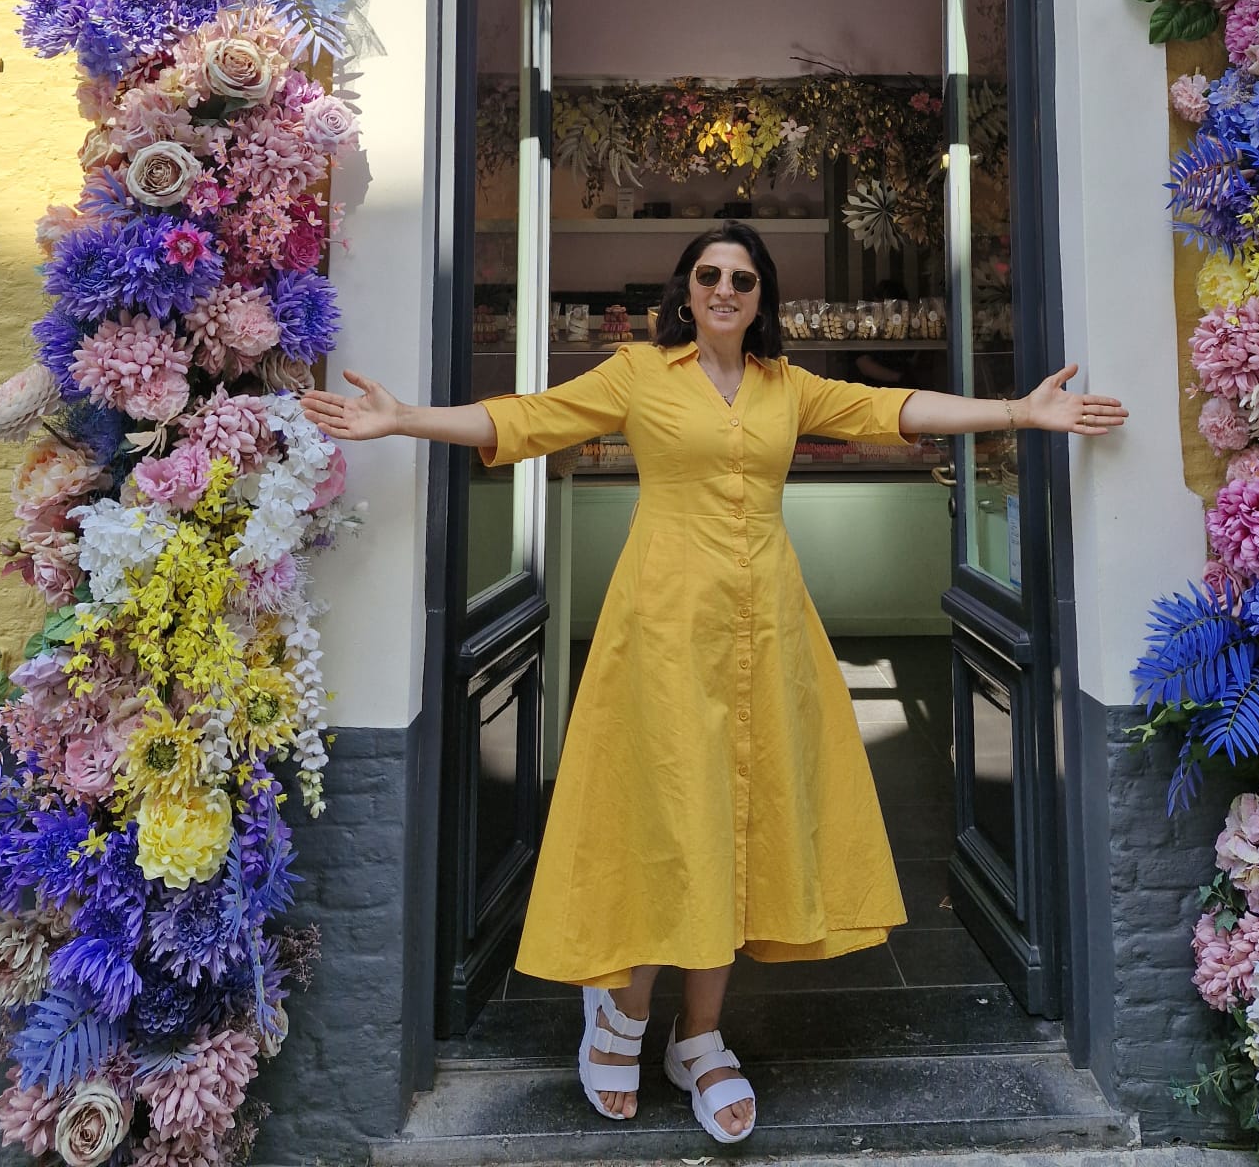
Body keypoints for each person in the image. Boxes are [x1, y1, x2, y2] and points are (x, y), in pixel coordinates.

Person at [302, 223, 1127, 1145]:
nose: (725, 289)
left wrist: (1020, 413)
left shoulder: (788, 386)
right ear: (686, 292)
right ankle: (621, 1011)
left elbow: (892, 410)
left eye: (742, 277)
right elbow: (525, 419)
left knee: (742, 821)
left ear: (762, 295)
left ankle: (698, 1036)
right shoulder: (637, 373)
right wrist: (405, 419)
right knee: (669, 818)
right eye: (709, 275)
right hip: (660, 635)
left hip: (767, 633)